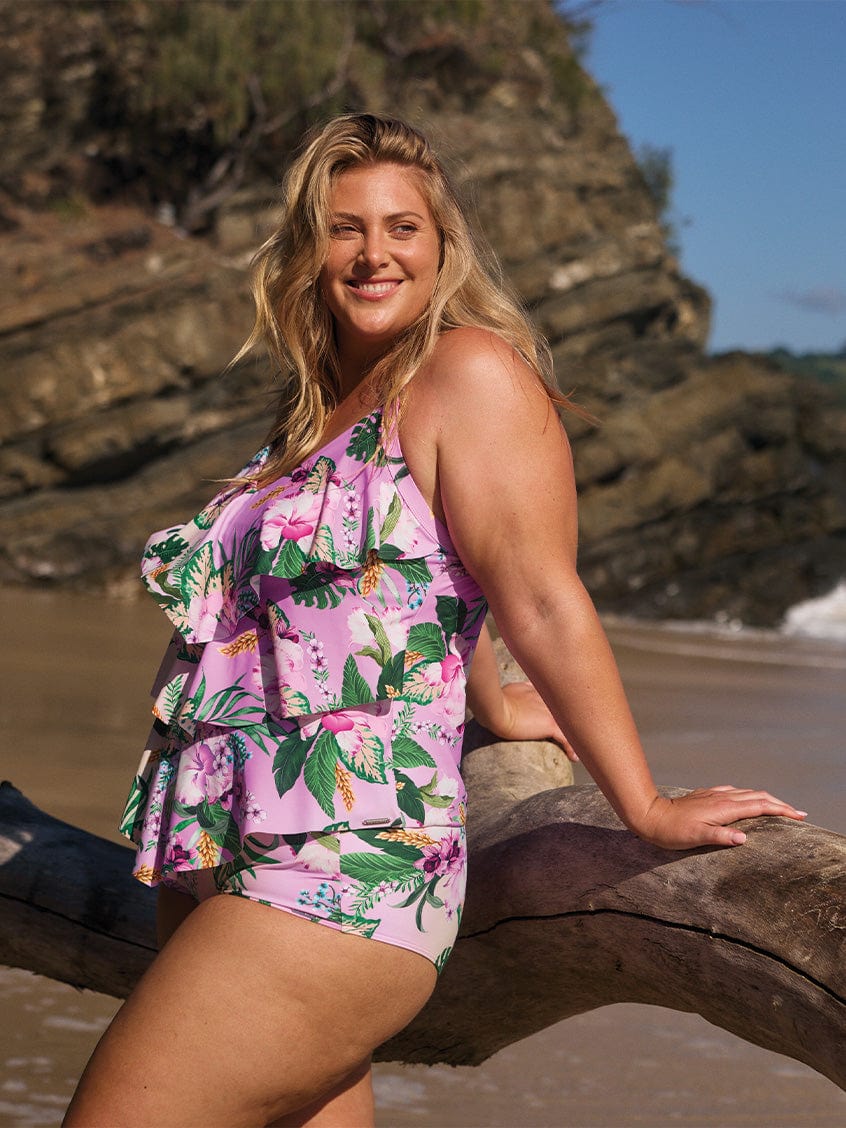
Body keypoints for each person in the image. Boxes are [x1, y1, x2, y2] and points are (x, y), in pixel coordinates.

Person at [64, 113, 806, 1128]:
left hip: (338, 863)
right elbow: (412, 583)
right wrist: (491, 703)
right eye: (346, 228)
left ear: (443, 247)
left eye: (402, 227)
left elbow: (537, 593)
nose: (375, 253)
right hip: (217, 842)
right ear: (308, 250)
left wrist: (643, 806)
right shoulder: (313, 413)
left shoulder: (469, 373)